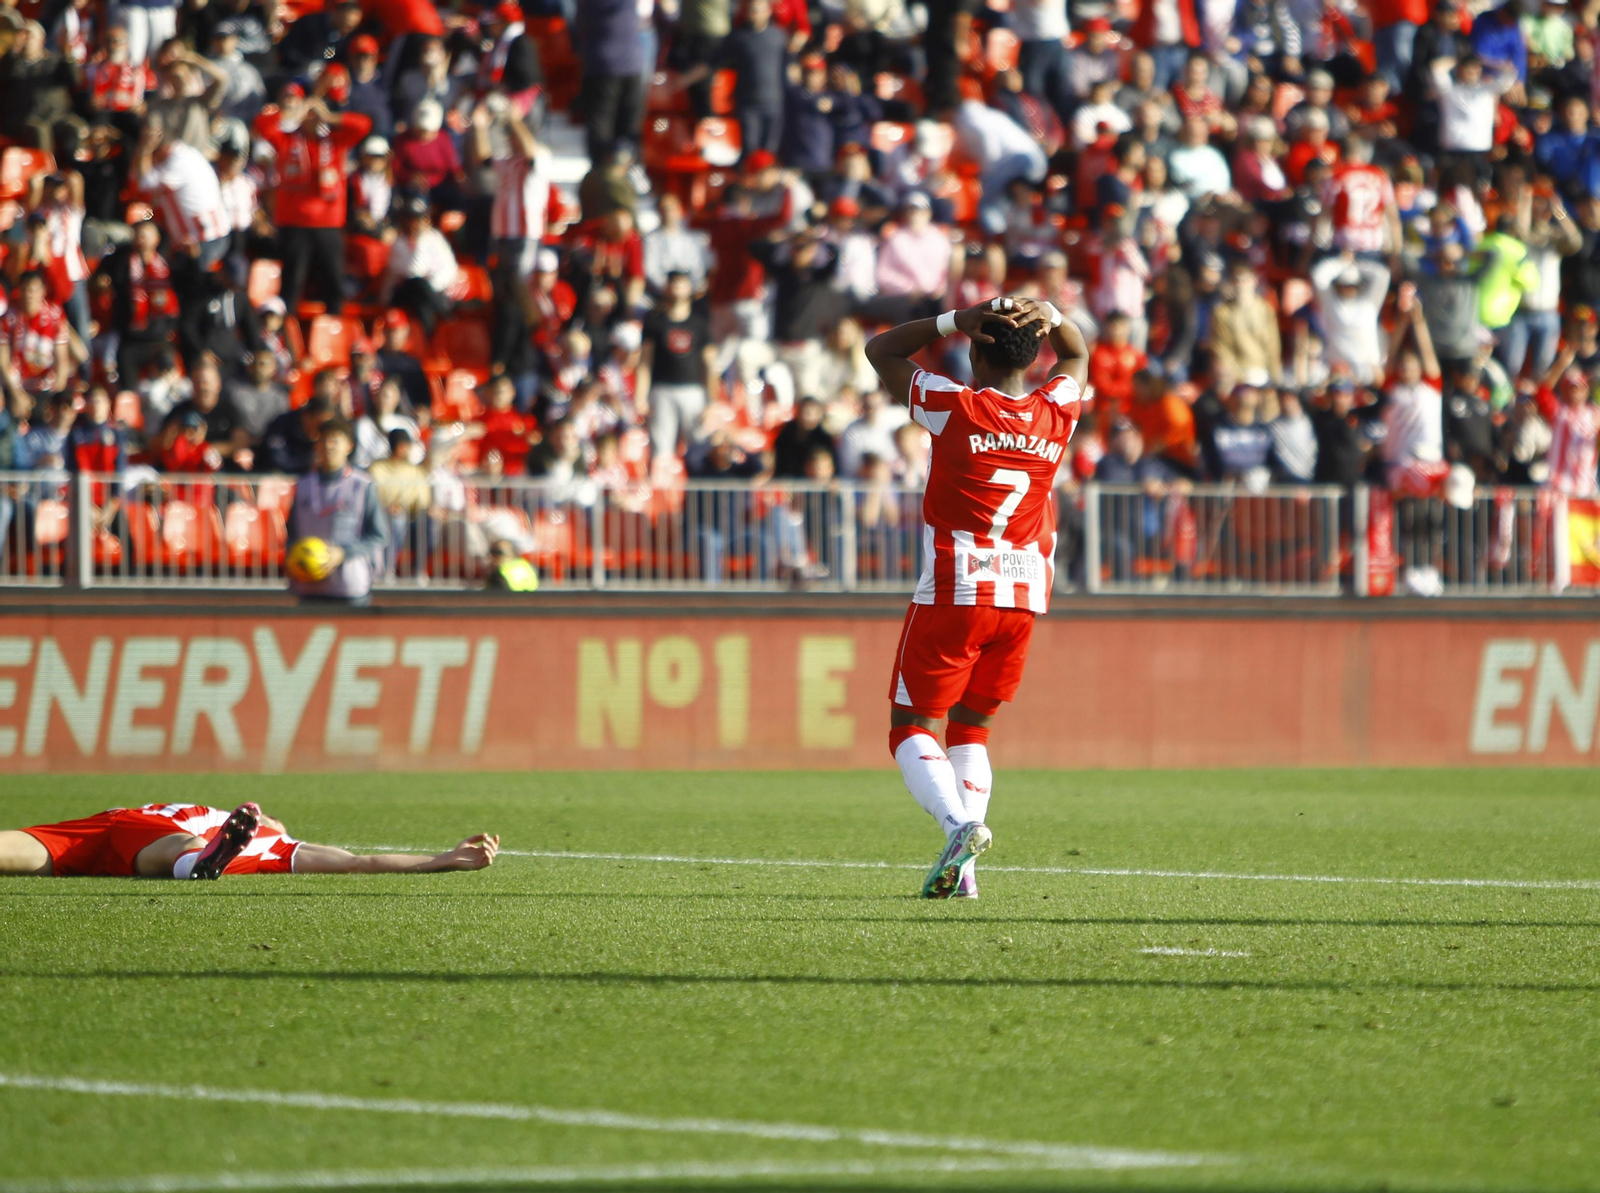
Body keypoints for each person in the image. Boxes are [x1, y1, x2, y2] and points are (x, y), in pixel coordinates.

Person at [864, 295, 1088, 899]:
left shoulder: (956, 406)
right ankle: (965, 872)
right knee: (971, 731)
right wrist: (1050, 313)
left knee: (910, 728)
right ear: (1034, 356)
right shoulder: (1055, 410)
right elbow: (1077, 351)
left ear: (975, 351)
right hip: (1025, 593)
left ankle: (958, 827)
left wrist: (950, 320)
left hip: (959, 584)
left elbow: (880, 350)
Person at [1, 801, 498, 879]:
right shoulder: (245, 825)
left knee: (179, 848)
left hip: (163, 839)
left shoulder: (279, 847)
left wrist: (441, 859)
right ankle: (198, 862)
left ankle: (201, 864)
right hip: (107, 827)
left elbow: (360, 862)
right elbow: (359, 861)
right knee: (18, 850)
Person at [285, 416, 388, 604]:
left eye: (335, 440)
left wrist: (343, 553)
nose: (328, 446)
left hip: (350, 587)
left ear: (349, 446)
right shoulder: (303, 485)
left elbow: (379, 535)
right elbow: (291, 533)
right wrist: (294, 556)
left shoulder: (363, 486)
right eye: (323, 440)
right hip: (309, 586)